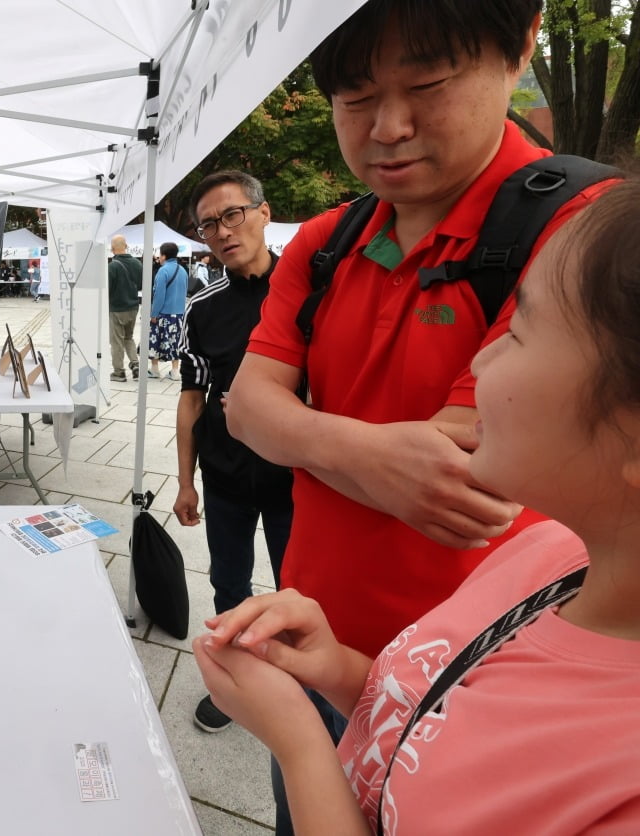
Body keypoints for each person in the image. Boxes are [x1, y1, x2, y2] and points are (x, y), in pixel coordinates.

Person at [223, 3, 612, 831]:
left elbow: (465, 468)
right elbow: (243, 409)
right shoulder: (328, 240)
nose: (389, 127)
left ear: (522, 45)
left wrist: (299, 430)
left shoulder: (588, 236)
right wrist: (363, 451)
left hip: (481, 684)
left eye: (428, 84)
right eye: (356, 98)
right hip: (313, 641)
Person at [175, 171, 293, 733]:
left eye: (232, 215)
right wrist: (184, 480)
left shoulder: (308, 292)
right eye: (207, 224)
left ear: (263, 213)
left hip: (299, 477)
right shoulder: (203, 306)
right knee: (229, 583)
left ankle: (300, 683)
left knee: (299, 586)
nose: (221, 232)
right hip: (224, 475)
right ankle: (234, 684)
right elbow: (190, 398)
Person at [148, 241, 186, 380]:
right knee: (175, 342)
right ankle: (175, 371)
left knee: (155, 340)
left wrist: (154, 313)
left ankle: (154, 369)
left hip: (163, 313)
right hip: (179, 313)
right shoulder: (183, 270)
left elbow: (159, 295)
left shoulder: (163, 271)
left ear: (163, 256)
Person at [107, 234, 142, 382]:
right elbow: (141, 285)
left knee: (116, 341)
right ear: (126, 246)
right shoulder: (137, 263)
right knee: (129, 337)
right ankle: (135, 364)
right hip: (133, 307)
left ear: (112, 249)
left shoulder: (112, 266)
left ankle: (119, 372)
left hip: (117, 308)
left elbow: (108, 289)